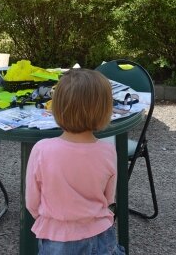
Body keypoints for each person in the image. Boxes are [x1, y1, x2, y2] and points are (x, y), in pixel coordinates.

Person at [25, 69, 125, 255]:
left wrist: (48, 220)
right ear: (105, 111)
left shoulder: (42, 149)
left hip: (57, 238)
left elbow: (32, 201)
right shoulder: (108, 151)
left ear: (56, 107)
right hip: (101, 234)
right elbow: (108, 198)